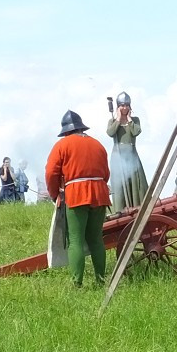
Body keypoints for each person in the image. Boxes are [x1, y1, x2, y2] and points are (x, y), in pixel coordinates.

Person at [46, 110, 112, 288]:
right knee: (96, 239)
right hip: (100, 193)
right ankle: (101, 280)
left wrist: (54, 194)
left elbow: (51, 172)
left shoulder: (63, 144)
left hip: (76, 195)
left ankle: (77, 284)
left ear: (66, 131)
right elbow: (106, 173)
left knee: (75, 240)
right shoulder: (98, 144)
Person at [106, 92, 149, 212]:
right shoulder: (113, 121)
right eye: (122, 105)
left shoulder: (135, 120)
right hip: (118, 157)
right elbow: (110, 133)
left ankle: (138, 207)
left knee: (137, 184)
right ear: (118, 107)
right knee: (120, 185)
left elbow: (135, 132)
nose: (124, 108)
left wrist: (129, 119)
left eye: (126, 105)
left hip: (131, 155)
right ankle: (121, 210)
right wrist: (118, 120)